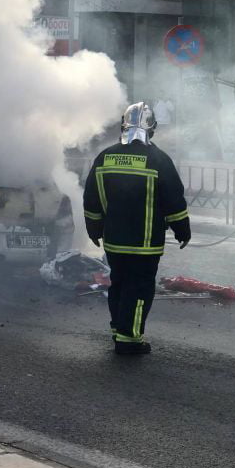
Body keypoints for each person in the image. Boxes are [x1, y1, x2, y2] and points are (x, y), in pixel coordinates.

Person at [83, 102, 191, 355]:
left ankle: (118, 329)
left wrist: (94, 228)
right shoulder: (159, 160)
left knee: (118, 284)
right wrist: (182, 230)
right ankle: (129, 339)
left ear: (123, 125)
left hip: (114, 241)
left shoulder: (105, 156)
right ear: (152, 129)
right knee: (139, 288)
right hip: (145, 243)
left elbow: (92, 198)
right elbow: (174, 200)